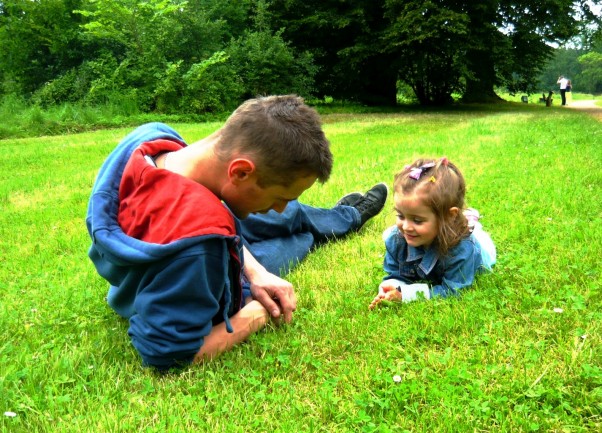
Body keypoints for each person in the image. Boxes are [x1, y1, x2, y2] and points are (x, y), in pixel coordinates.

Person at [86, 95, 388, 370]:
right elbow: (168, 353)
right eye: (280, 197)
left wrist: (256, 273)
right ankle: (334, 224)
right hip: (194, 260)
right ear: (241, 172)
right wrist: (257, 313)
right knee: (298, 234)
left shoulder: (150, 141)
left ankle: (345, 216)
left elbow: (201, 224)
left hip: (181, 243)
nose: (280, 207)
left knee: (290, 216)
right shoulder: (200, 247)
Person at [368, 157, 495, 309]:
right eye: (401, 216)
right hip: (443, 227)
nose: (406, 227)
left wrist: (406, 295)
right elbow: (394, 273)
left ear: (449, 216)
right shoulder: (397, 239)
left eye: (417, 220)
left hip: (482, 248)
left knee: (477, 236)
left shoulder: (462, 249)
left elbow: (453, 290)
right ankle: (465, 216)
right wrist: (390, 288)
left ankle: (469, 220)